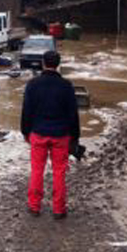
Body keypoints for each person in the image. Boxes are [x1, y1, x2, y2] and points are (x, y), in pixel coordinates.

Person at [20, 50, 80, 219]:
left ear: (43, 63)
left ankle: (34, 207)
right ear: (58, 64)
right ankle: (59, 210)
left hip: (38, 133)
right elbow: (73, 114)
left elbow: (27, 111)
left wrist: (25, 132)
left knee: (37, 170)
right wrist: (75, 137)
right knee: (59, 172)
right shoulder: (67, 86)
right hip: (61, 135)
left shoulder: (33, 84)